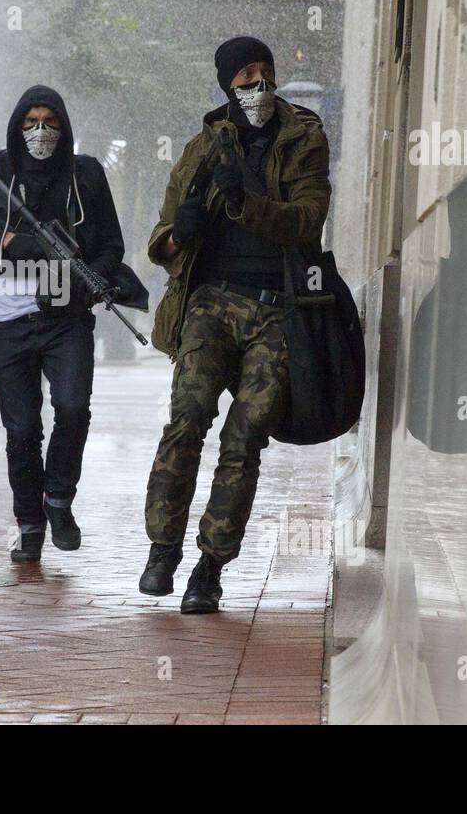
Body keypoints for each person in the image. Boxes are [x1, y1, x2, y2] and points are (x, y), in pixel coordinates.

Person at [140, 37, 331, 612]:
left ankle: (210, 565)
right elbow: (163, 240)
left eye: (265, 71)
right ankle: (163, 548)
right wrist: (185, 230)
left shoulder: (303, 137)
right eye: (246, 75)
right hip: (211, 303)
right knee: (186, 420)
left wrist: (244, 201)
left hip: (277, 307)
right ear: (227, 84)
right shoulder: (203, 146)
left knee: (244, 439)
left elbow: (307, 219)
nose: (259, 84)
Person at [0, 85, 125, 562]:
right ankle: (29, 524)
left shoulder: (85, 173)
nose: (41, 131)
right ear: (17, 127)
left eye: (50, 122)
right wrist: (8, 240)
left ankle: (58, 499)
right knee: (22, 430)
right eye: (30, 123)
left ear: (63, 127)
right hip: (10, 319)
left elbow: (111, 243)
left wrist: (97, 279)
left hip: (68, 318)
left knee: (72, 407)